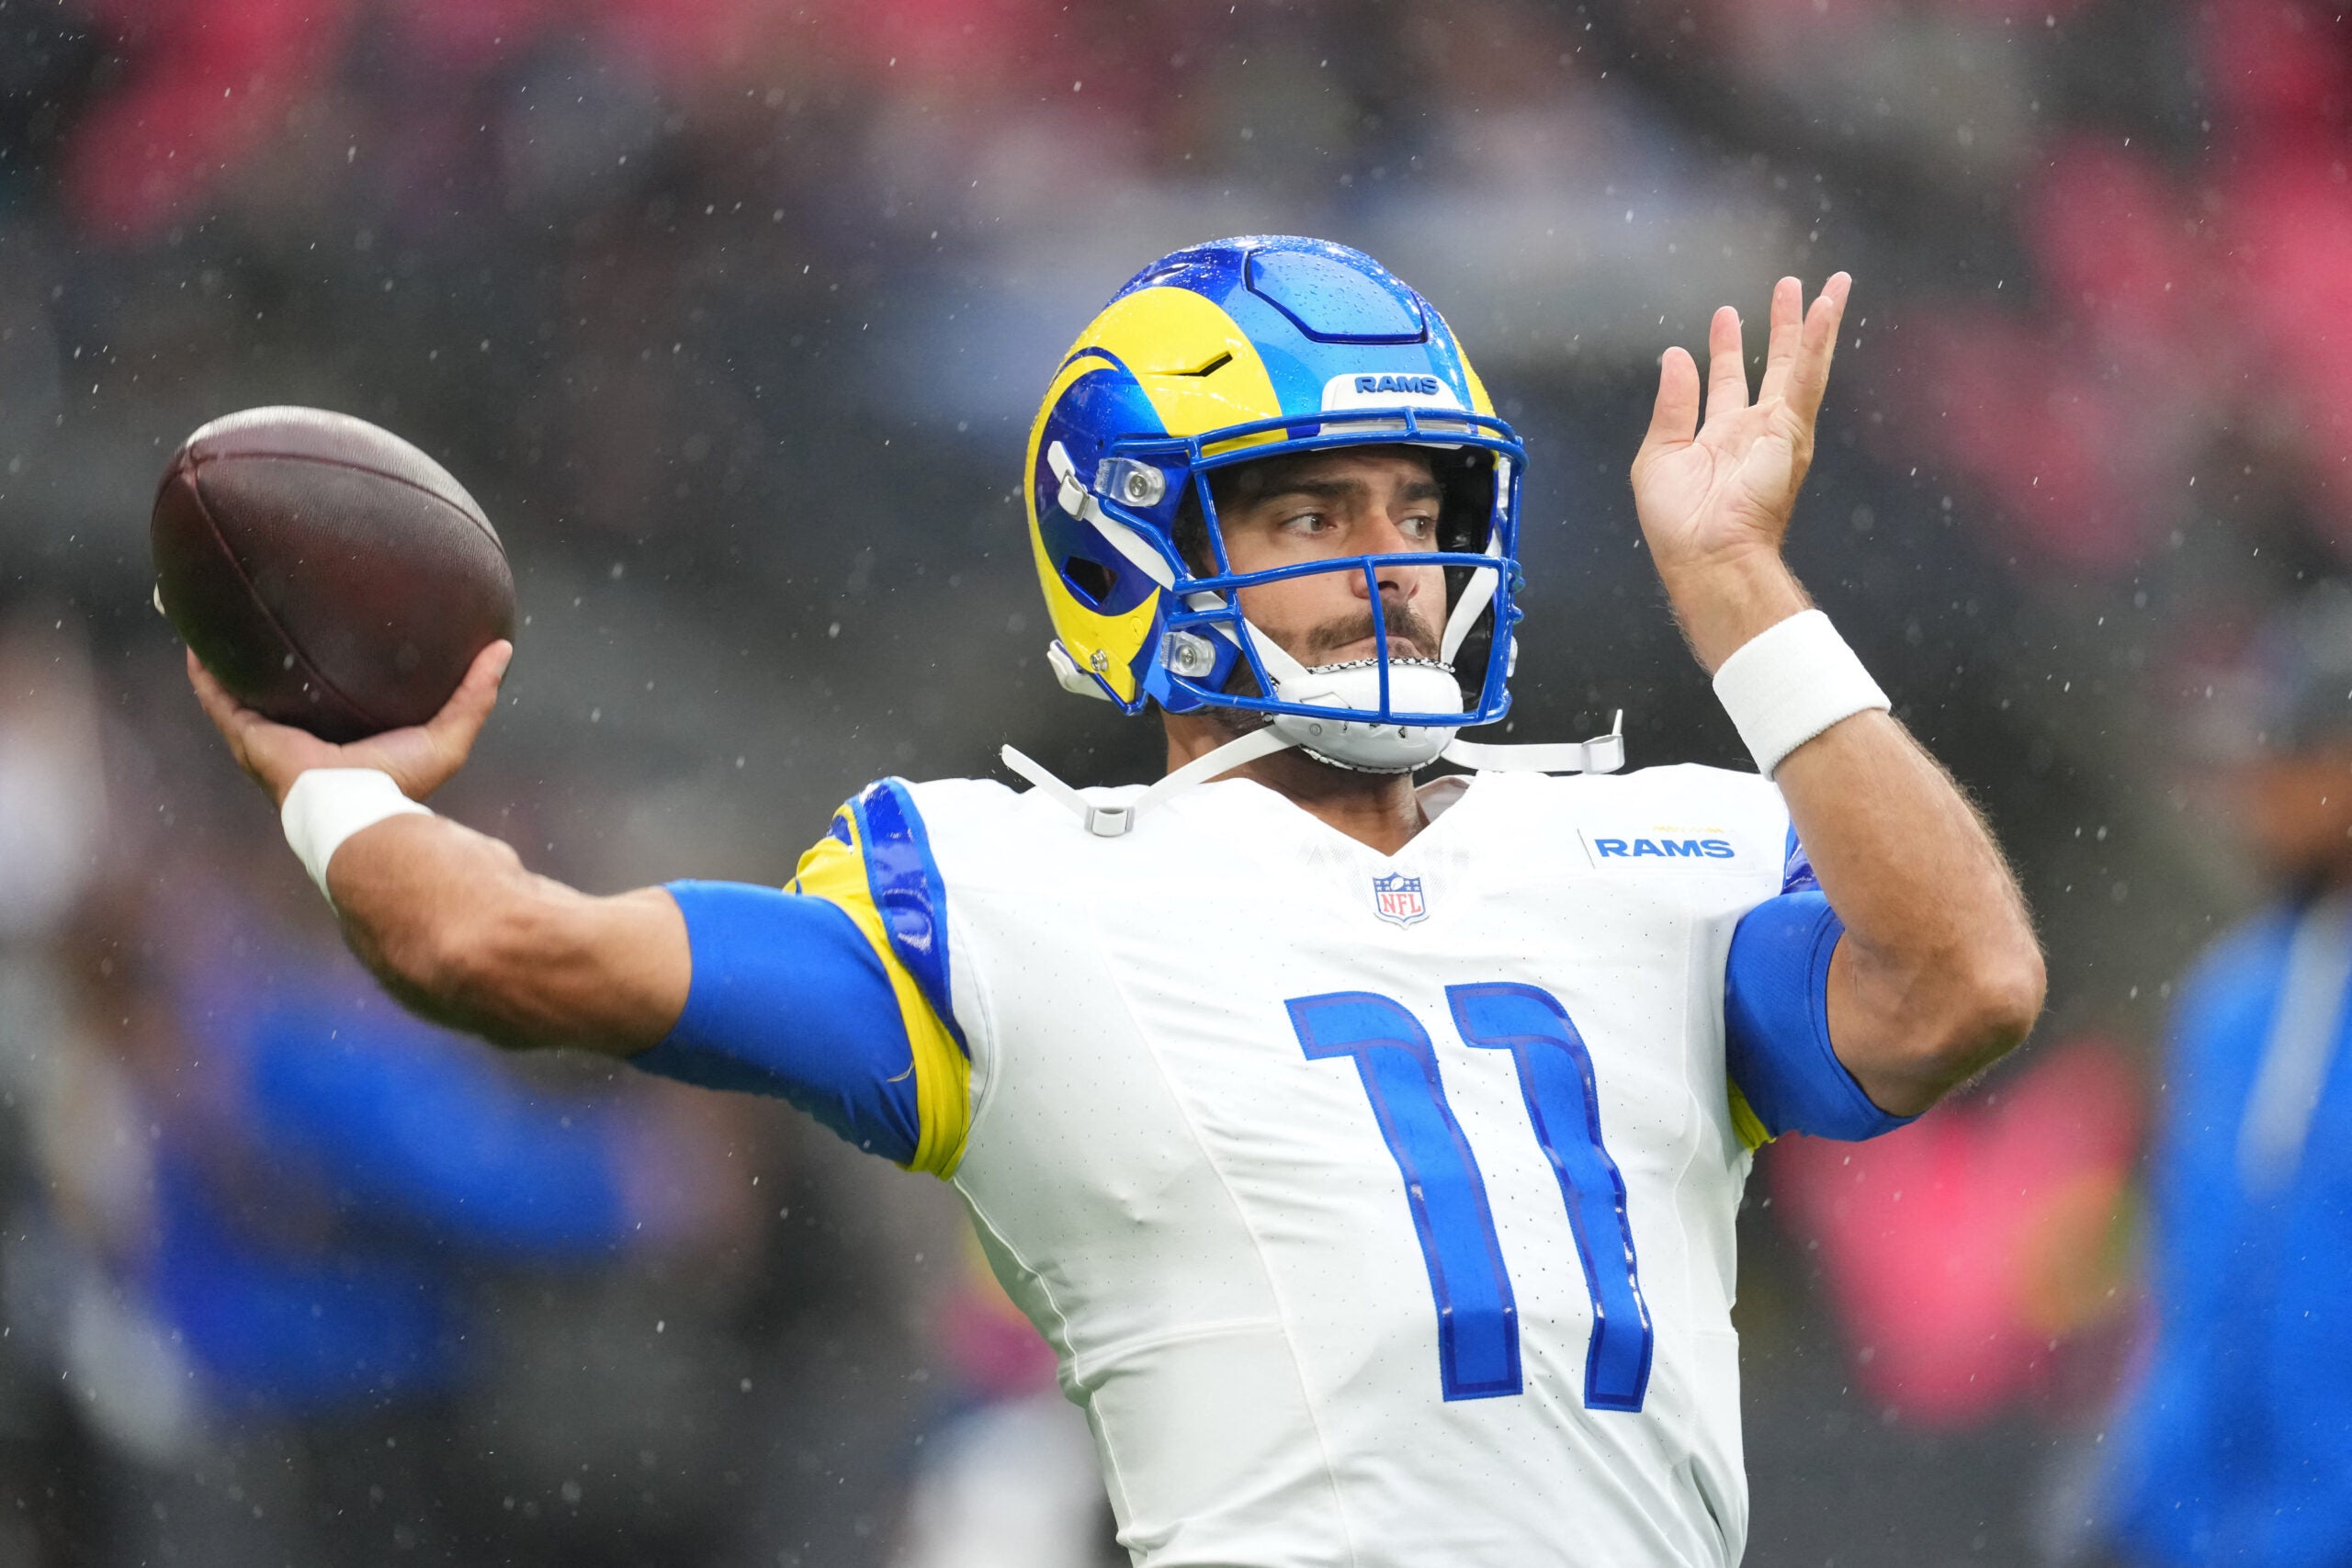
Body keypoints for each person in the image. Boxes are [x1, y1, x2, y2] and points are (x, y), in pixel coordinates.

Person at [183, 237, 2044, 1567]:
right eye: (1309, 513)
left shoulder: (1656, 841)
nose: (1388, 564)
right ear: (1128, 536)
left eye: (1417, 507)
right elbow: (499, 943)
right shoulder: (1008, 889)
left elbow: (1957, 981)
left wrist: (1737, 586)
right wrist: (333, 782)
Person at [2095, 583, 2352, 1568]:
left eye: (2291, 752)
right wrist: (2133, 1498)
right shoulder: (2233, 1000)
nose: (2256, 785)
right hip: (2207, 1537)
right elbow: (2199, 1298)